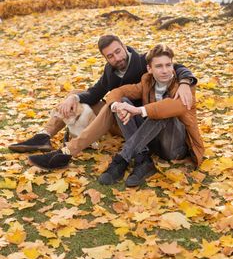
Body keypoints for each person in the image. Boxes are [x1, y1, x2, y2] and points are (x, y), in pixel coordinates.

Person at [9, 35, 197, 170]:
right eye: (110, 56)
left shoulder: (143, 62)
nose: (117, 58)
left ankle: (69, 151)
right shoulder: (111, 71)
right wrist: (74, 98)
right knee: (76, 94)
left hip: (145, 122)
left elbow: (176, 66)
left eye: (118, 52)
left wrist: (185, 81)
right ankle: (44, 136)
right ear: (105, 58)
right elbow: (96, 93)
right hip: (122, 117)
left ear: (124, 46)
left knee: (119, 106)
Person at [98, 43, 204, 187]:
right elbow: (117, 92)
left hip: (174, 148)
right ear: (149, 69)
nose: (165, 70)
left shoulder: (185, 86)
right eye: (159, 66)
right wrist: (117, 106)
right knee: (123, 102)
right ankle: (143, 159)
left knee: (163, 111)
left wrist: (139, 110)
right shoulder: (147, 81)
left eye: (168, 65)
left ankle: (123, 158)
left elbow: (175, 107)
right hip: (151, 140)